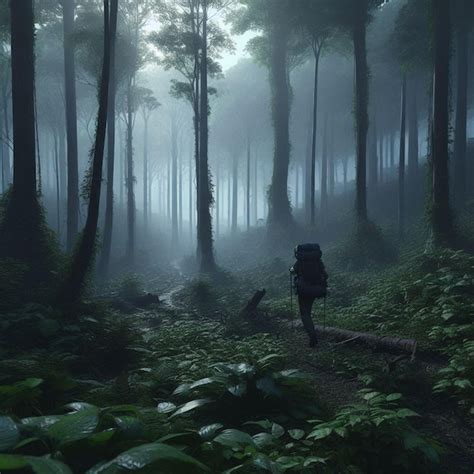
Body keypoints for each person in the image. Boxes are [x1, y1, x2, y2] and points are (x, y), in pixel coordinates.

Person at [290, 244, 328, 347]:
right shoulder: (318, 261)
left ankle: (312, 337)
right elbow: (325, 274)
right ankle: (313, 335)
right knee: (308, 312)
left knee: (305, 314)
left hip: (304, 291)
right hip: (316, 290)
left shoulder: (300, 261)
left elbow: (292, 271)